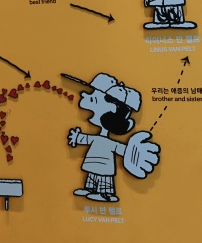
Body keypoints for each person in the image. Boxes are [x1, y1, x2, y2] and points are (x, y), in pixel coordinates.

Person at [64, 72, 158, 202]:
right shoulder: (99, 139)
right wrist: (76, 137)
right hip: (93, 164)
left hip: (104, 167)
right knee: (92, 177)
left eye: (94, 98)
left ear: (111, 111)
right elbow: (86, 139)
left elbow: (121, 149)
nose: (84, 94)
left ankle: (106, 195)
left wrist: (134, 154)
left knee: (104, 180)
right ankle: (90, 189)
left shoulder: (108, 143)